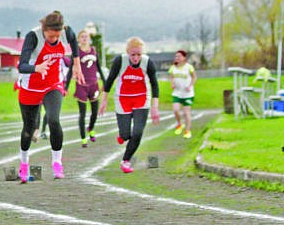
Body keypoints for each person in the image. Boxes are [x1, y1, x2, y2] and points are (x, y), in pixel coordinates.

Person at [15, 11, 81, 183]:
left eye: (57, 36)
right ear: (44, 30)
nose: (53, 39)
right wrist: (37, 68)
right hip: (31, 85)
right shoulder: (33, 37)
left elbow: (74, 42)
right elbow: (21, 65)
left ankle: (57, 163)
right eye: (50, 36)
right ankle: (24, 165)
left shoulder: (67, 32)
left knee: (53, 120)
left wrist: (76, 64)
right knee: (29, 129)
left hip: (53, 84)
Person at [99, 36, 160, 173]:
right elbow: (110, 80)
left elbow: (154, 84)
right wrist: (104, 101)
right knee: (126, 135)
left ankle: (126, 161)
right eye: (133, 55)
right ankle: (122, 136)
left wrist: (155, 106)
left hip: (141, 99)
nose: (136, 58)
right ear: (127, 52)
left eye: (139, 54)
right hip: (123, 99)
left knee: (137, 132)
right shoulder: (120, 61)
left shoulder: (148, 62)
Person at [74, 29, 106, 147]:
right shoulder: (76, 52)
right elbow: (71, 69)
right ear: (78, 39)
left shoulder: (93, 51)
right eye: (82, 36)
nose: (84, 38)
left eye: (86, 36)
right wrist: (66, 86)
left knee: (94, 112)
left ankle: (91, 128)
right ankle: (83, 139)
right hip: (81, 85)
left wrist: (105, 81)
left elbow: (99, 67)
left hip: (94, 85)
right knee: (82, 114)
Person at [168, 49, 196, 139]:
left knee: (186, 112)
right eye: (176, 56)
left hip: (187, 93)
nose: (177, 58)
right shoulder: (173, 68)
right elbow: (171, 77)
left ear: (184, 58)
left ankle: (187, 131)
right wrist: (172, 83)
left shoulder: (189, 67)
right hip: (177, 92)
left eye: (179, 56)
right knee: (176, 109)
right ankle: (180, 124)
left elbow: (194, 77)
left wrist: (190, 86)